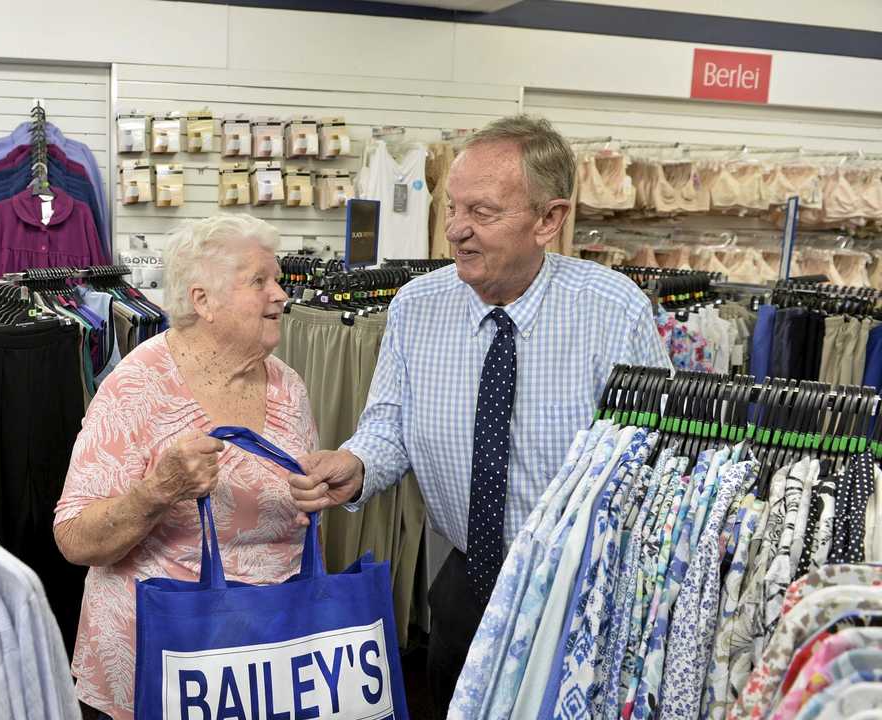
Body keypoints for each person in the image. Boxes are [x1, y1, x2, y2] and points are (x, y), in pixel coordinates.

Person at [286, 114, 672, 710]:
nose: (457, 232)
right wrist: (357, 464)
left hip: (575, 587)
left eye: (483, 213)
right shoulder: (416, 306)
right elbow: (388, 423)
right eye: (452, 210)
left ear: (550, 219)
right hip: (465, 579)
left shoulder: (611, 310)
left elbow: (653, 459)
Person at [53, 214, 319, 720]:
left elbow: (289, 508)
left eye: (278, 278)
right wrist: (157, 491)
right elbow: (75, 539)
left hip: (267, 664)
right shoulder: (137, 386)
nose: (281, 294)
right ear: (202, 300)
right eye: (259, 281)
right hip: (160, 664)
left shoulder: (289, 386)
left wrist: (312, 495)